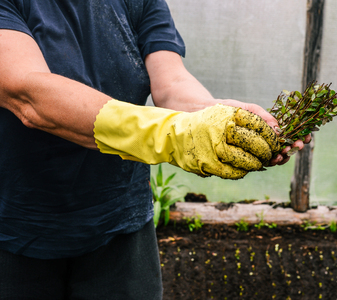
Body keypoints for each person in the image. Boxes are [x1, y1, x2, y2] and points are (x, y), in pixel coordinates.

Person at [0, 1, 310, 299]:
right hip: (15, 227)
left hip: (120, 224)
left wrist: (215, 117)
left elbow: (172, 82)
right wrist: (173, 134)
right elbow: (29, 94)